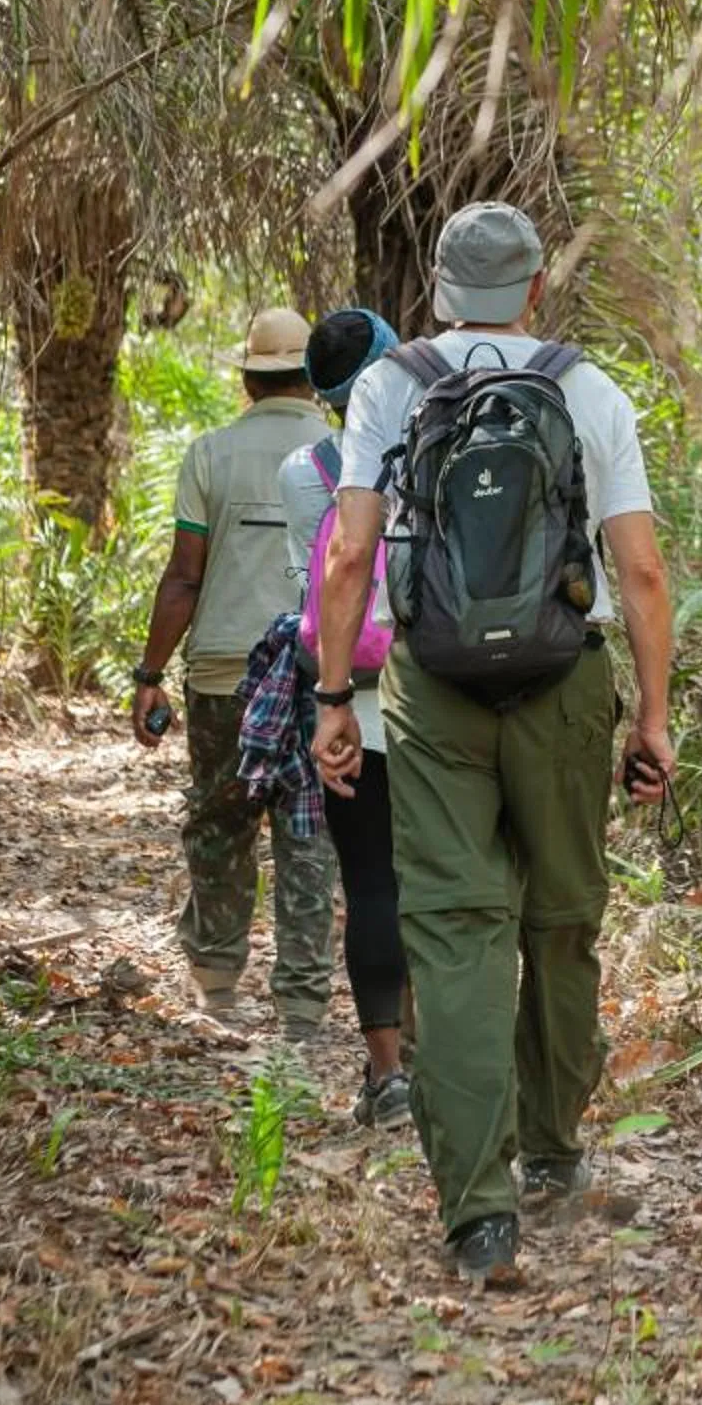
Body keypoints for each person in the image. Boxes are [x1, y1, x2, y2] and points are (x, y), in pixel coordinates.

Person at [311, 205, 675, 1284]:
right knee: (561, 919)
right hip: (567, 681)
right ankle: (556, 1156)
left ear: (436, 287)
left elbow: (347, 558)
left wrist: (336, 696)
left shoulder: (391, 386)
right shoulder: (587, 388)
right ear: (533, 290)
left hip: (435, 686)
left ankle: (478, 1213)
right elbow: (643, 572)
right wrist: (651, 717)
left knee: (457, 931)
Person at [131, 308, 341, 1042]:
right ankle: (305, 1008)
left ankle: (218, 983)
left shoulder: (210, 455)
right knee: (307, 837)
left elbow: (183, 578)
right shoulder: (341, 455)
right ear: (313, 381)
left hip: (225, 676)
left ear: (248, 378)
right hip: (320, 675)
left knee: (221, 822)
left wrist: (149, 673)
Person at [279, 308, 413, 1128]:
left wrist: (328, 697)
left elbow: (315, 578)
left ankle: (387, 1074)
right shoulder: (438, 441)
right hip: (434, 701)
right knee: (439, 878)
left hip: (348, 703)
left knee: (369, 885)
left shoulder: (307, 470)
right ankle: (448, 1048)